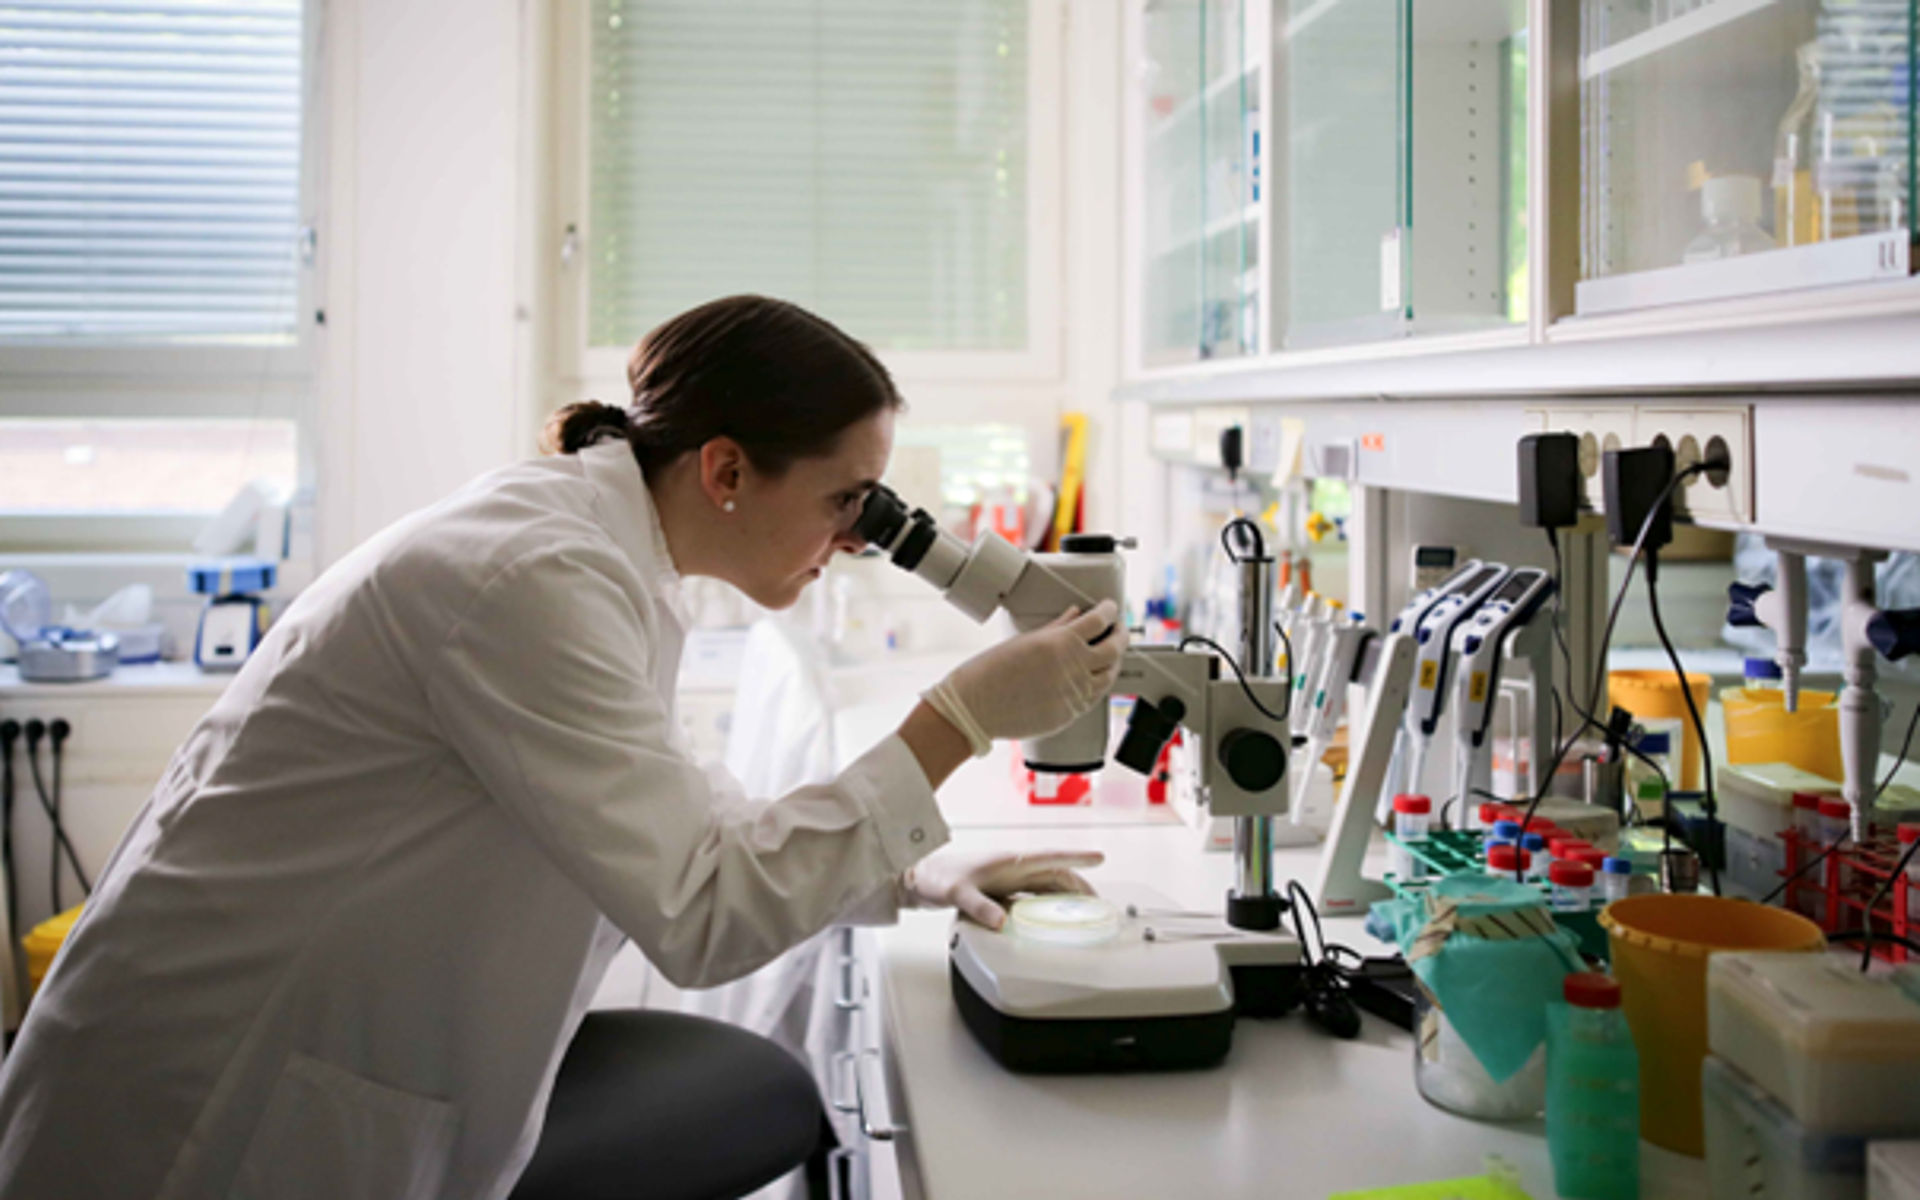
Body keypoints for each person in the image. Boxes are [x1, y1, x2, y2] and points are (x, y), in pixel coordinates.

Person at [0, 296, 1126, 1199]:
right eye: (846, 501)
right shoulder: (529, 579)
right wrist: (957, 719)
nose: (854, 540)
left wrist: (919, 872)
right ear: (726, 472)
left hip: (314, 1056)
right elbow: (702, 909)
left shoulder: (601, 562)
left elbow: (690, 814)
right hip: (211, 1099)